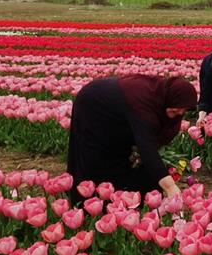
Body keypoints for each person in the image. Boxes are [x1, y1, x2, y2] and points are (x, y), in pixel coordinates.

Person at [67, 74, 197, 204]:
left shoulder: (162, 98)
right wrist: (170, 187)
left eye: (183, 111)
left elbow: (152, 142)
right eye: (174, 111)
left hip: (119, 112)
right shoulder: (144, 103)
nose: (180, 114)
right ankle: (89, 202)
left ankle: (121, 200)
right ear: (169, 100)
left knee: (123, 153)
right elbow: (147, 147)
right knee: (98, 155)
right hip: (93, 105)